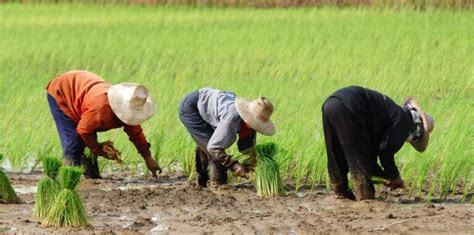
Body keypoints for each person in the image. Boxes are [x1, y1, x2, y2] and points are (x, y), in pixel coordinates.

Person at [321, 86, 434, 201]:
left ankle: (340, 193)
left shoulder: (390, 115)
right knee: (359, 166)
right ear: (417, 129)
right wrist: (394, 176)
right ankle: (365, 200)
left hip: (330, 104)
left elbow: (370, 158)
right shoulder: (403, 121)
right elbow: (385, 150)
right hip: (351, 107)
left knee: (336, 152)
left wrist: (384, 177)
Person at [46, 70, 161, 179]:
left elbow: (136, 133)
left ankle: (92, 177)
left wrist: (148, 158)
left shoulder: (129, 112)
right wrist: (99, 149)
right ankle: (67, 181)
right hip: (63, 92)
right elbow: (83, 130)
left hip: (84, 100)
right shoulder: (100, 108)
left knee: (88, 142)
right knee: (74, 141)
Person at [179, 87, 275, 187]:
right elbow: (214, 148)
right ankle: (218, 184)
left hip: (210, 106)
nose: (256, 127)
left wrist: (251, 161)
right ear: (248, 119)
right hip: (192, 109)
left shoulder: (249, 126)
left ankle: (202, 182)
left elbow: (247, 145)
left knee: (208, 142)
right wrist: (234, 166)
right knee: (214, 152)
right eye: (255, 124)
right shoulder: (232, 120)